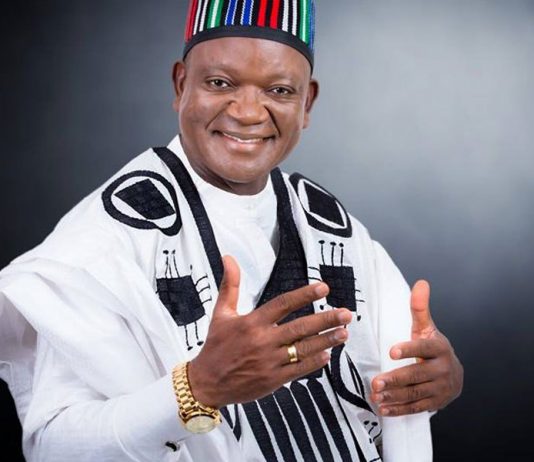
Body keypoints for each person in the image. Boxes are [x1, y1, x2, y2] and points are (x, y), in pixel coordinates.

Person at [0, 1, 463, 461]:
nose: (247, 112)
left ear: (307, 103)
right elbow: (53, 446)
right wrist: (195, 388)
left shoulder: (331, 225)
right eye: (220, 83)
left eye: (279, 90)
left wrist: (434, 384)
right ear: (181, 84)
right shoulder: (102, 246)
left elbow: (384, 396)